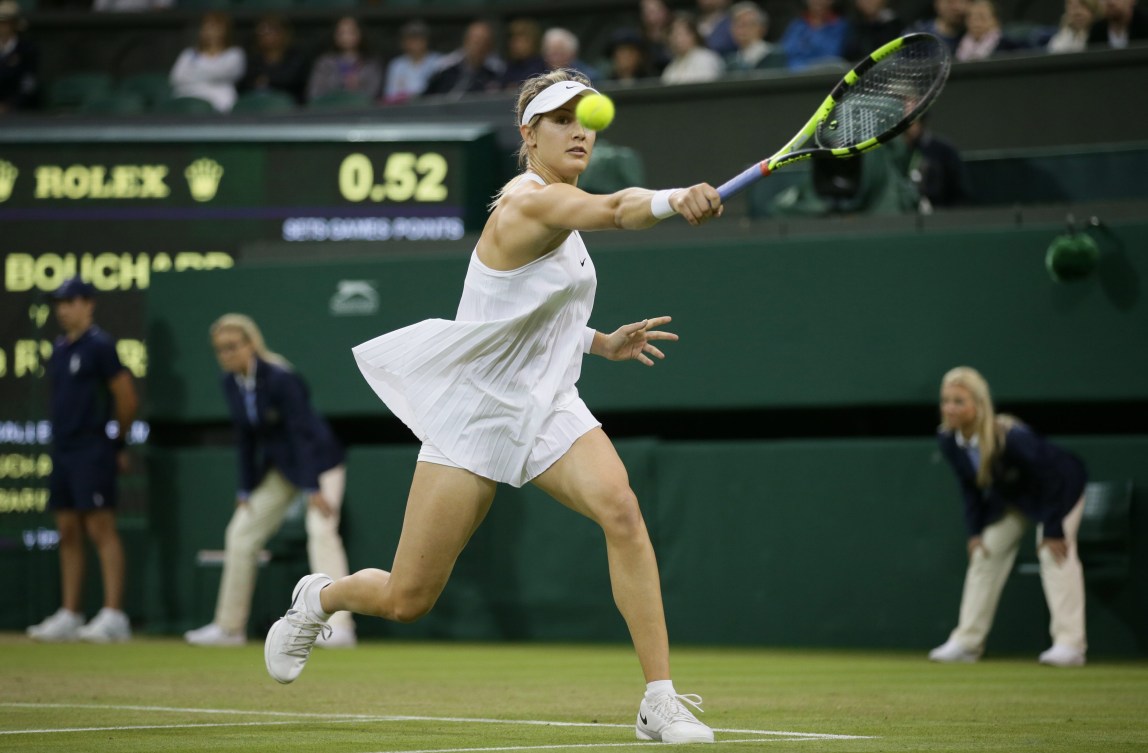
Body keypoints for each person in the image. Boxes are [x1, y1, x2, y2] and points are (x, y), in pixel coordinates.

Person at [263, 68, 724, 745]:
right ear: (529, 134)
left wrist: (599, 342)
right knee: (406, 597)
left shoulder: (556, 202)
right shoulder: (527, 206)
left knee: (621, 509)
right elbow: (616, 208)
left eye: (585, 120)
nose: (579, 131)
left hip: (546, 405)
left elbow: (531, 309)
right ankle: (319, 598)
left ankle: (658, 700)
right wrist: (674, 197)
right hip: (475, 413)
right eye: (561, 119)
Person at [185, 314, 356, 648]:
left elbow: (301, 434)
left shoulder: (281, 378)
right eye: (220, 350)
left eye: (233, 347)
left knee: (322, 532)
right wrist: (245, 488)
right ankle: (229, 628)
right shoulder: (230, 383)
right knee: (240, 532)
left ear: (251, 344)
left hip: (320, 463)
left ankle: (341, 627)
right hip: (281, 468)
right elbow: (246, 439)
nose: (227, 355)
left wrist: (312, 487)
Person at [930, 366, 1088, 668]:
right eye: (945, 400)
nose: (949, 408)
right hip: (1014, 499)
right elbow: (970, 487)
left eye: (959, 401)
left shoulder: (1011, 436)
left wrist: (1053, 527)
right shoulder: (948, 439)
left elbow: (1053, 478)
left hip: (1061, 489)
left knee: (1053, 552)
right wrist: (975, 531)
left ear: (978, 405)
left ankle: (1070, 645)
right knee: (984, 554)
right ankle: (967, 642)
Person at [26, 278, 138, 643]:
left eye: (70, 301)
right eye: (59, 302)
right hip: (63, 450)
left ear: (88, 304)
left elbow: (126, 397)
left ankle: (113, 615)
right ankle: (71, 614)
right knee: (68, 531)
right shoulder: (59, 349)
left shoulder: (101, 346)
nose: (63, 308)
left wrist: (116, 443)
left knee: (100, 530)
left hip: (93, 448)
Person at [169, 11, 245, 113]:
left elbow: (224, 74)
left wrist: (193, 72)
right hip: (188, 96)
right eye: (207, 26)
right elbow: (176, 78)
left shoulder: (234, 54)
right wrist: (210, 74)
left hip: (220, 100)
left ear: (225, 30)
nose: (211, 31)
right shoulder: (189, 54)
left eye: (216, 27)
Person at [897, 115, 971, 210]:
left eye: (911, 121)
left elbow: (961, 195)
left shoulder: (944, 150)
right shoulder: (892, 153)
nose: (905, 127)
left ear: (921, 121)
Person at [307, 16, 383, 104]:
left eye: (351, 32)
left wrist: (357, 89)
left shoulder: (371, 63)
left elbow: (375, 94)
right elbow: (314, 94)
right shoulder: (324, 63)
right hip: (330, 112)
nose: (346, 37)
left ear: (360, 34)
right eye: (342, 32)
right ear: (335, 35)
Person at [239, 14, 310, 105]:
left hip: (292, 109)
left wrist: (268, 81)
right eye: (263, 31)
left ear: (284, 33)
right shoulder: (253, 60)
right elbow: (244, 85)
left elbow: (293, 83)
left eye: (272, 31)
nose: (267, 35)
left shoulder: (297, 57)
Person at [423, 19, 503, 97]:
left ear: (490, 46)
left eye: (484, 42)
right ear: (466, 41)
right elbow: (425, 98)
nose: (479, 46)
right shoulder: (446, 68)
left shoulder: (496, 71)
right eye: (475, 41)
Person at [383, 19, 442, 104]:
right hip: (402, 110)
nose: (415, 43)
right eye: (410, 39)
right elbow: (390, 95)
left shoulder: (439, 61)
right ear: (403, 42)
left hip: (431, 108)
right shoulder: (396, 64)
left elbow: (441, 94)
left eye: (418, 38)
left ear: (426, 41)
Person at [779, 0, 849, 71]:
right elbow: (785, 54)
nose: (818, 2)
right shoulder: (796, 26)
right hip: (794, 77)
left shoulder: (840, 26)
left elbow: (831, 57)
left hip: (827, 77)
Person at [662, 12, 725, 84]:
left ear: (694, 35)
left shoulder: (707, 58)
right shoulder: (671, 67)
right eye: (674, 35)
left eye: (681, 34)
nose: (677, 40)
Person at [725, 2, 787, 72]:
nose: (741, 30)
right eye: (737, 25)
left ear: (762, 28)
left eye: (746, 24)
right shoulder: (730, 61)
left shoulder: (775, 55)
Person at [0, 0, 38, 113]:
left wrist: (9, 105)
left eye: (5, 23)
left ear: (14, 24)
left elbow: (28, 84)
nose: (2, 27)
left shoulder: (27, 50)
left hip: (18, 108)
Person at [955, 0, 1021, 61]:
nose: (976, 23)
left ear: (996, 21)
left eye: (982, 17)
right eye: (971, 18)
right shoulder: (956, 46)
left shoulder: (1010, 47)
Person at [498, 18, 548, 91]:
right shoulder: (509, 67)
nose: (514, 44)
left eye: (519, 40)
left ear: (532, 42)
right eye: (512, 39)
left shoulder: (542, 67)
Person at [905, 0, 970, 54]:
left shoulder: (972, 33)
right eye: (950, 2)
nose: (957, 7)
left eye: (962, 1)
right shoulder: (918, 33)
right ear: (937, 4)